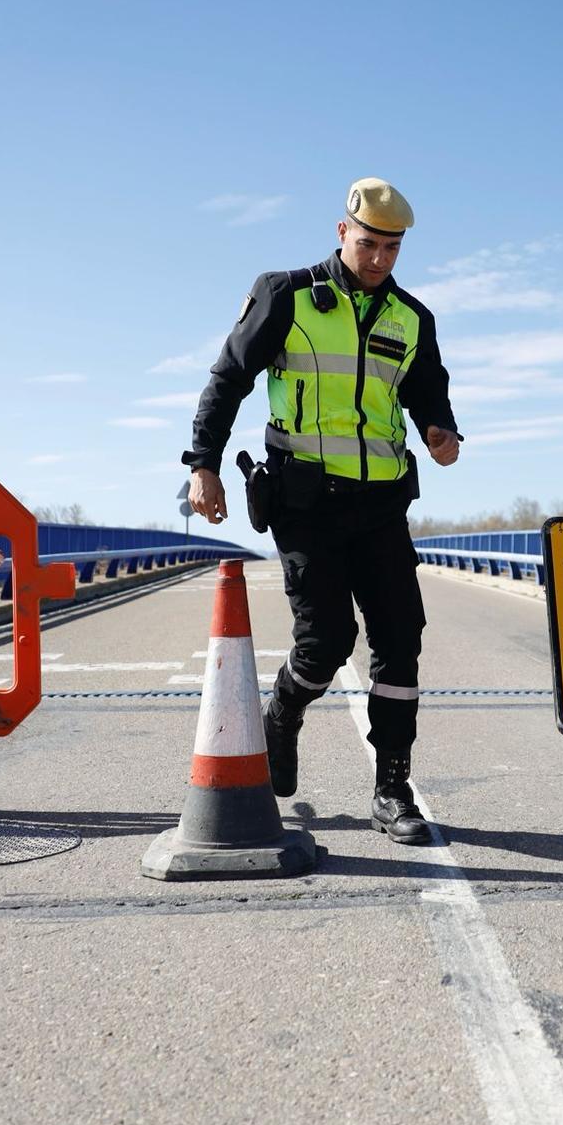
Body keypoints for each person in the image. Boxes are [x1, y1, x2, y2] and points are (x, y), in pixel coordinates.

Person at [183, 178, 460, 845]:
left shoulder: (411, 319)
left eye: (391, 249)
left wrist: (441, 430)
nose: (379, 260)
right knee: (328, 641)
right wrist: (203, 465)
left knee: (401, 638)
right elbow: (228, 377)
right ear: (343, 233)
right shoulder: (289, 296)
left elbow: (430, 395)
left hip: (382, 502)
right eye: (368, 245)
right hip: (306, 502)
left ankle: (393, 787)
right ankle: (283, 713)